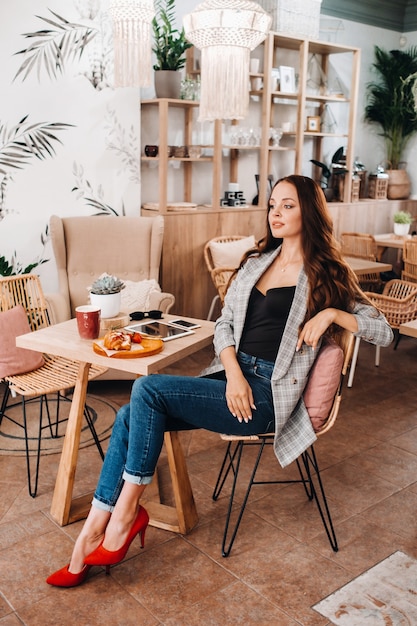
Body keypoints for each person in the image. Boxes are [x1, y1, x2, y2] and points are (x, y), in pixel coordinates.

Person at [47, 175, 393, 587]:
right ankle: (93, 531)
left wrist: (332, 314)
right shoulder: (256, 260)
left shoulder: (327, 274)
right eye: (272, 205)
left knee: (146, 389)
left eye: (287, 205)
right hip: (234, 381)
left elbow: (383, 330)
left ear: (310, 212)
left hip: (265, 398)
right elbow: (225, 323)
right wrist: (232, 373)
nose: (275, 213)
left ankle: (122, 519)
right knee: (128, 415)